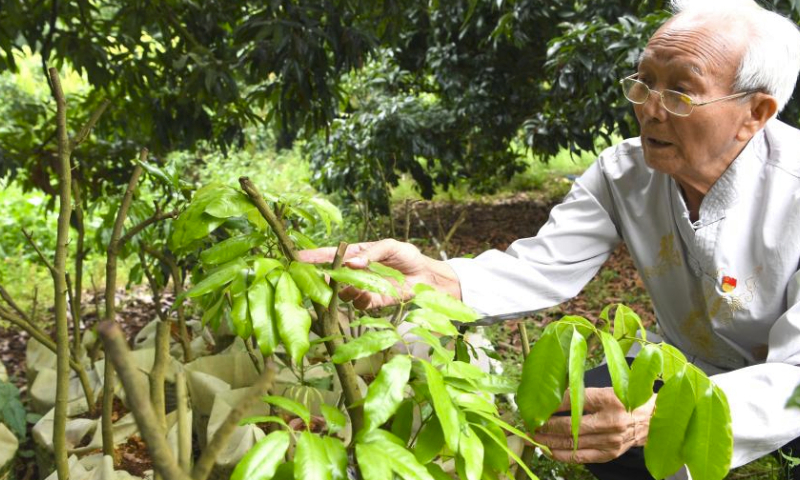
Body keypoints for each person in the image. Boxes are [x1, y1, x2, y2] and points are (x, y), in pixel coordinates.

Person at [300, 0, 800, 478]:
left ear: (755, 114)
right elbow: (544, 264)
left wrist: (662, 414)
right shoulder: (623, 174)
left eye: (680, 93)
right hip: (688, 363)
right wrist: (434, 276)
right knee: (585, 412)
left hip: (790, 380)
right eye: (644, 82)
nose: (650, 109)